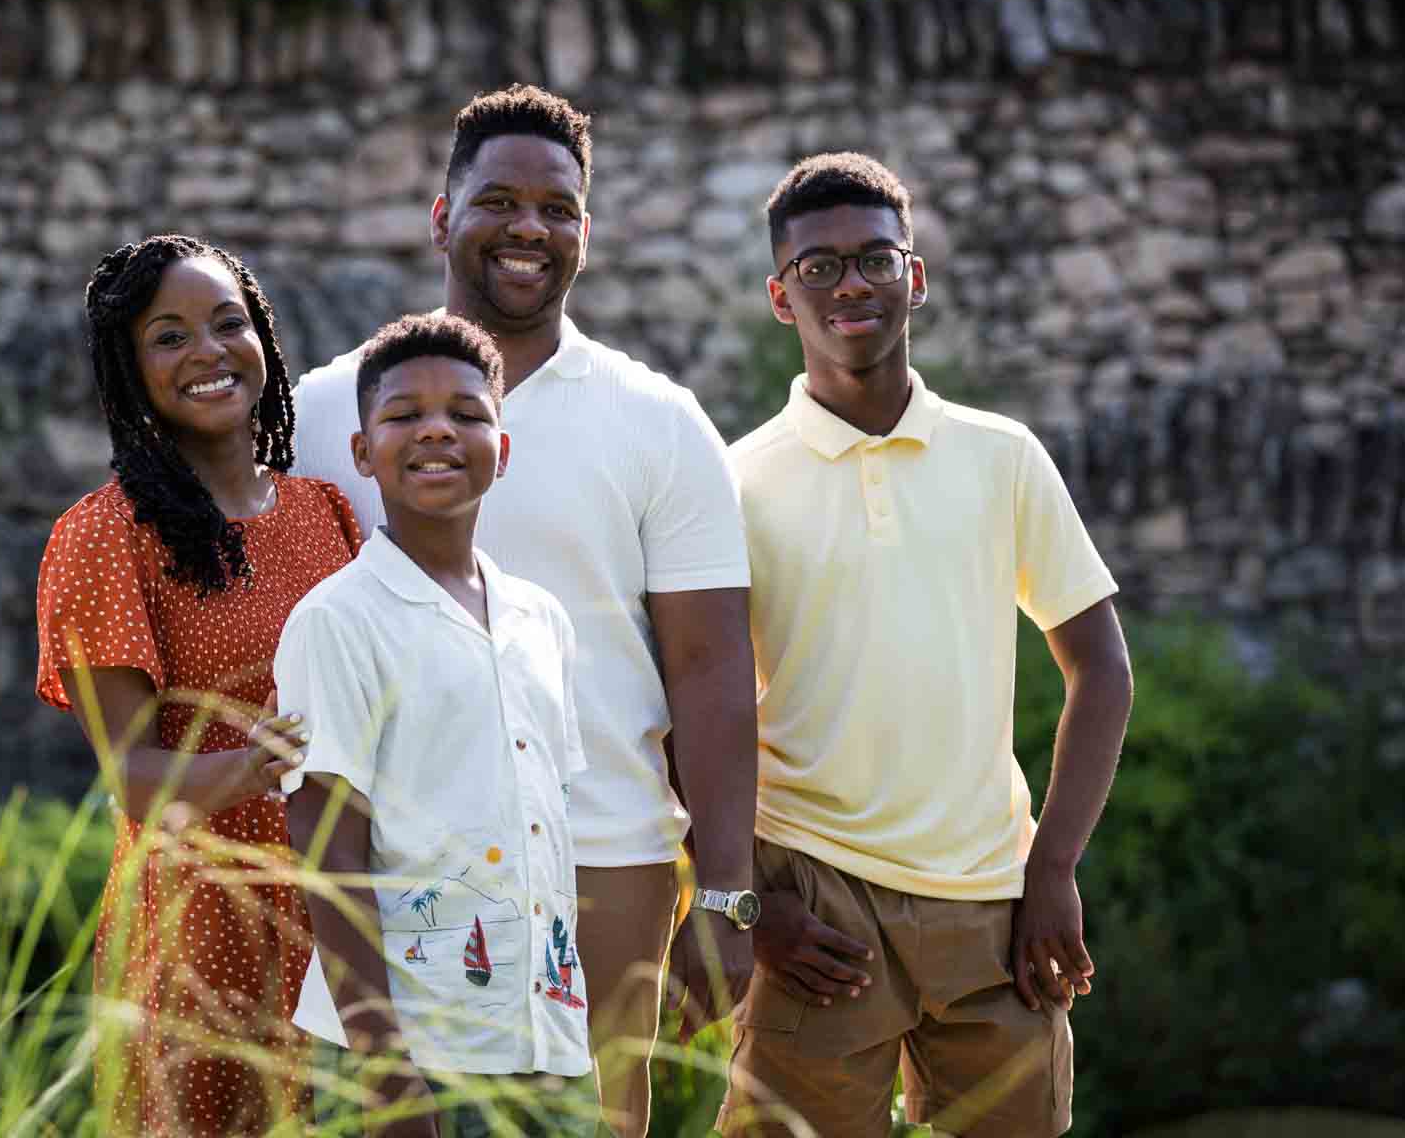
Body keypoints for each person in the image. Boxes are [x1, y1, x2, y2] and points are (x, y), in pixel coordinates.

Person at [291, 85, 758, 1137]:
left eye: (558, 208)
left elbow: (712, 668)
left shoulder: (658, 421)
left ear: (586, 231)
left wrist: (728, 894)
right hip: (397, 864)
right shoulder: (333, 410)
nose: (528, 229)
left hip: (603, 863)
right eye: (498, 200)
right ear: (441, 215)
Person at [717, 153, 1135, 1138]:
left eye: (875, 260)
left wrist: (1054, 871)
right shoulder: (734, 482)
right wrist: (746, 905)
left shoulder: (1002, 458)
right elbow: (692, 707)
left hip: (994, 900)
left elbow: (1103, 670)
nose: (850, 284)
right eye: (819, 269)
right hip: (814, 898)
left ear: (918, 276)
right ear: (782, 297)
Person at [35, 234, 362, 1136]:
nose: (209, 352)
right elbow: (132, 777)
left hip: (347, 911)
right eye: (168, 338)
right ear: (129, 372)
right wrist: (254, 765)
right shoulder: (106, 538)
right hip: (202, 933)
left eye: (228, 323)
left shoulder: (322, 511)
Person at [276, 312, 595, 1137]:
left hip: (544, 1039)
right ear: (360, 452)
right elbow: (327, 844)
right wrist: (386, 1071)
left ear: (503, 445)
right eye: (403, 415)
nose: (436, 432)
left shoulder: (541, 620)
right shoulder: (339, 620)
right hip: (411, 1053)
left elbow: (542, 832)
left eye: (465, 412)